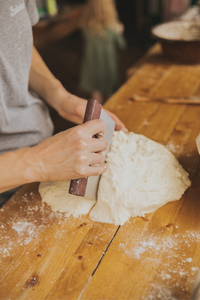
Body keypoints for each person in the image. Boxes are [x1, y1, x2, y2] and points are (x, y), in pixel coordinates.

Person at [0, 0, 127, 205]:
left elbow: (16, 42)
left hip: (40, 158)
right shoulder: (37, 162)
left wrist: (60, 97)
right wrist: (37, 162)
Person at [79, 0, 126, 104]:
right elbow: (122, 45)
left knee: (96, 95)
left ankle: (96, 117)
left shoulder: (86, 25)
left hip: (91, 64)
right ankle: (108, 117)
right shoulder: (113, 27)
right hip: (107, 65)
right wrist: (120, 32)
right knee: (110, 93)